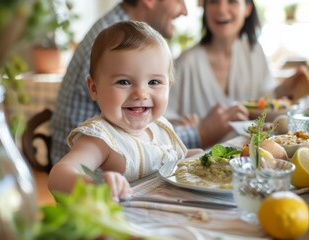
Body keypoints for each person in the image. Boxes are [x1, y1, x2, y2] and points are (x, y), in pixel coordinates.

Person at [48, 21, 202, 200]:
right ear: (94, 88)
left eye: (154, 82)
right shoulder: (101, 139)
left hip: (162, 218)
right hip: (120, 224)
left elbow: (167, 161)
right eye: (124, 82)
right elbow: (58, 176)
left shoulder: (160, 128)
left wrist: (194, 158)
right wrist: (97, 184)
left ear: (169, 86)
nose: (140, 93)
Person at [166, 0, 309, 148]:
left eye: (232, 1)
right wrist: (195, 128)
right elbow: (162, 121)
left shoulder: (254, 52)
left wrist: (286, 88)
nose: (222, 10)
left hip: (251, 156)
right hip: (199, 161)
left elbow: (263, 100)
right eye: (213, 2)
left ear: (247, 8)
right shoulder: (185, 63)